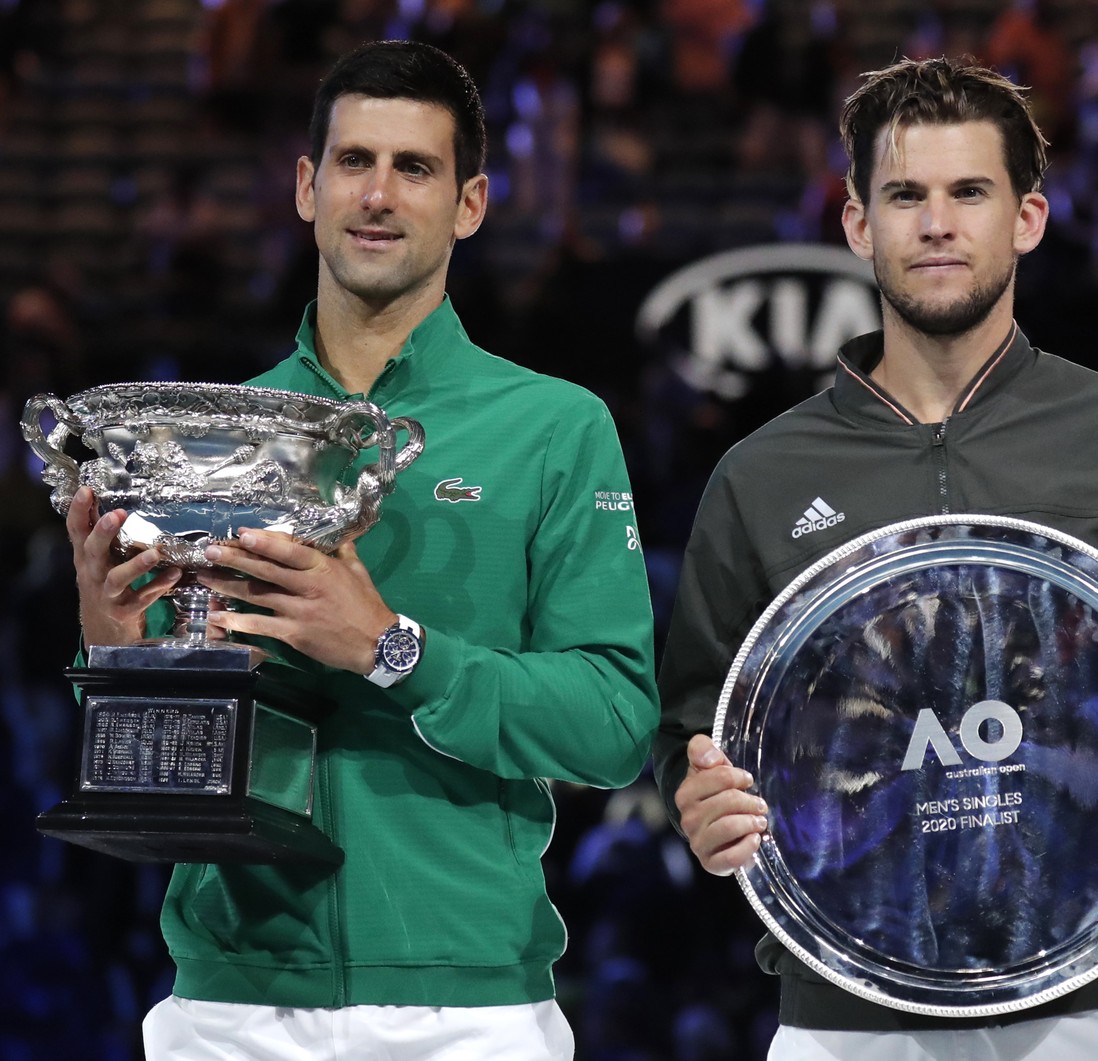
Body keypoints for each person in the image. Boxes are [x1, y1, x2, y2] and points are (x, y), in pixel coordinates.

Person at [654, 56, 1098, 1060]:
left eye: (970, 192)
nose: (938, 222)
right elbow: (701, 722)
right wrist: (698, 797)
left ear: (1028, 218)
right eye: (905, 195)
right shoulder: (763, 474)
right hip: (849, 1012)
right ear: (859, 226)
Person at [64, 40, 659, 1059]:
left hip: (468, 1005)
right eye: (353, 162)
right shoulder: (205, 440)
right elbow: (165, 758)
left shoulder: (554, 427)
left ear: (470, 203)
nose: (377, 194)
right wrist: (114, 653)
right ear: (306, 186)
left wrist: (391, 646)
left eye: (414, 168)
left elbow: (611, 723)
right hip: (231, 1002)